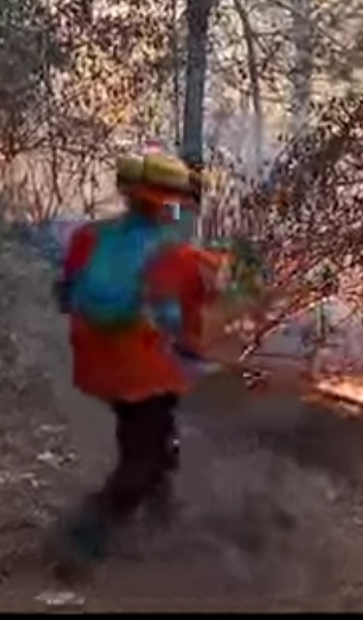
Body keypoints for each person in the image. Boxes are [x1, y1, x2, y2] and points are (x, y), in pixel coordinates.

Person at [53, 147, 221, 568]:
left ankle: (160, 522)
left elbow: (65, 294)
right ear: (169, 203)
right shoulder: (179, 257)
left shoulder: (87, 237)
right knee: (143, 460)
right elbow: (206, 306)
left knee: (154, 438)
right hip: (146, 369)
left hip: (95, 364)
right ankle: (81, 540)